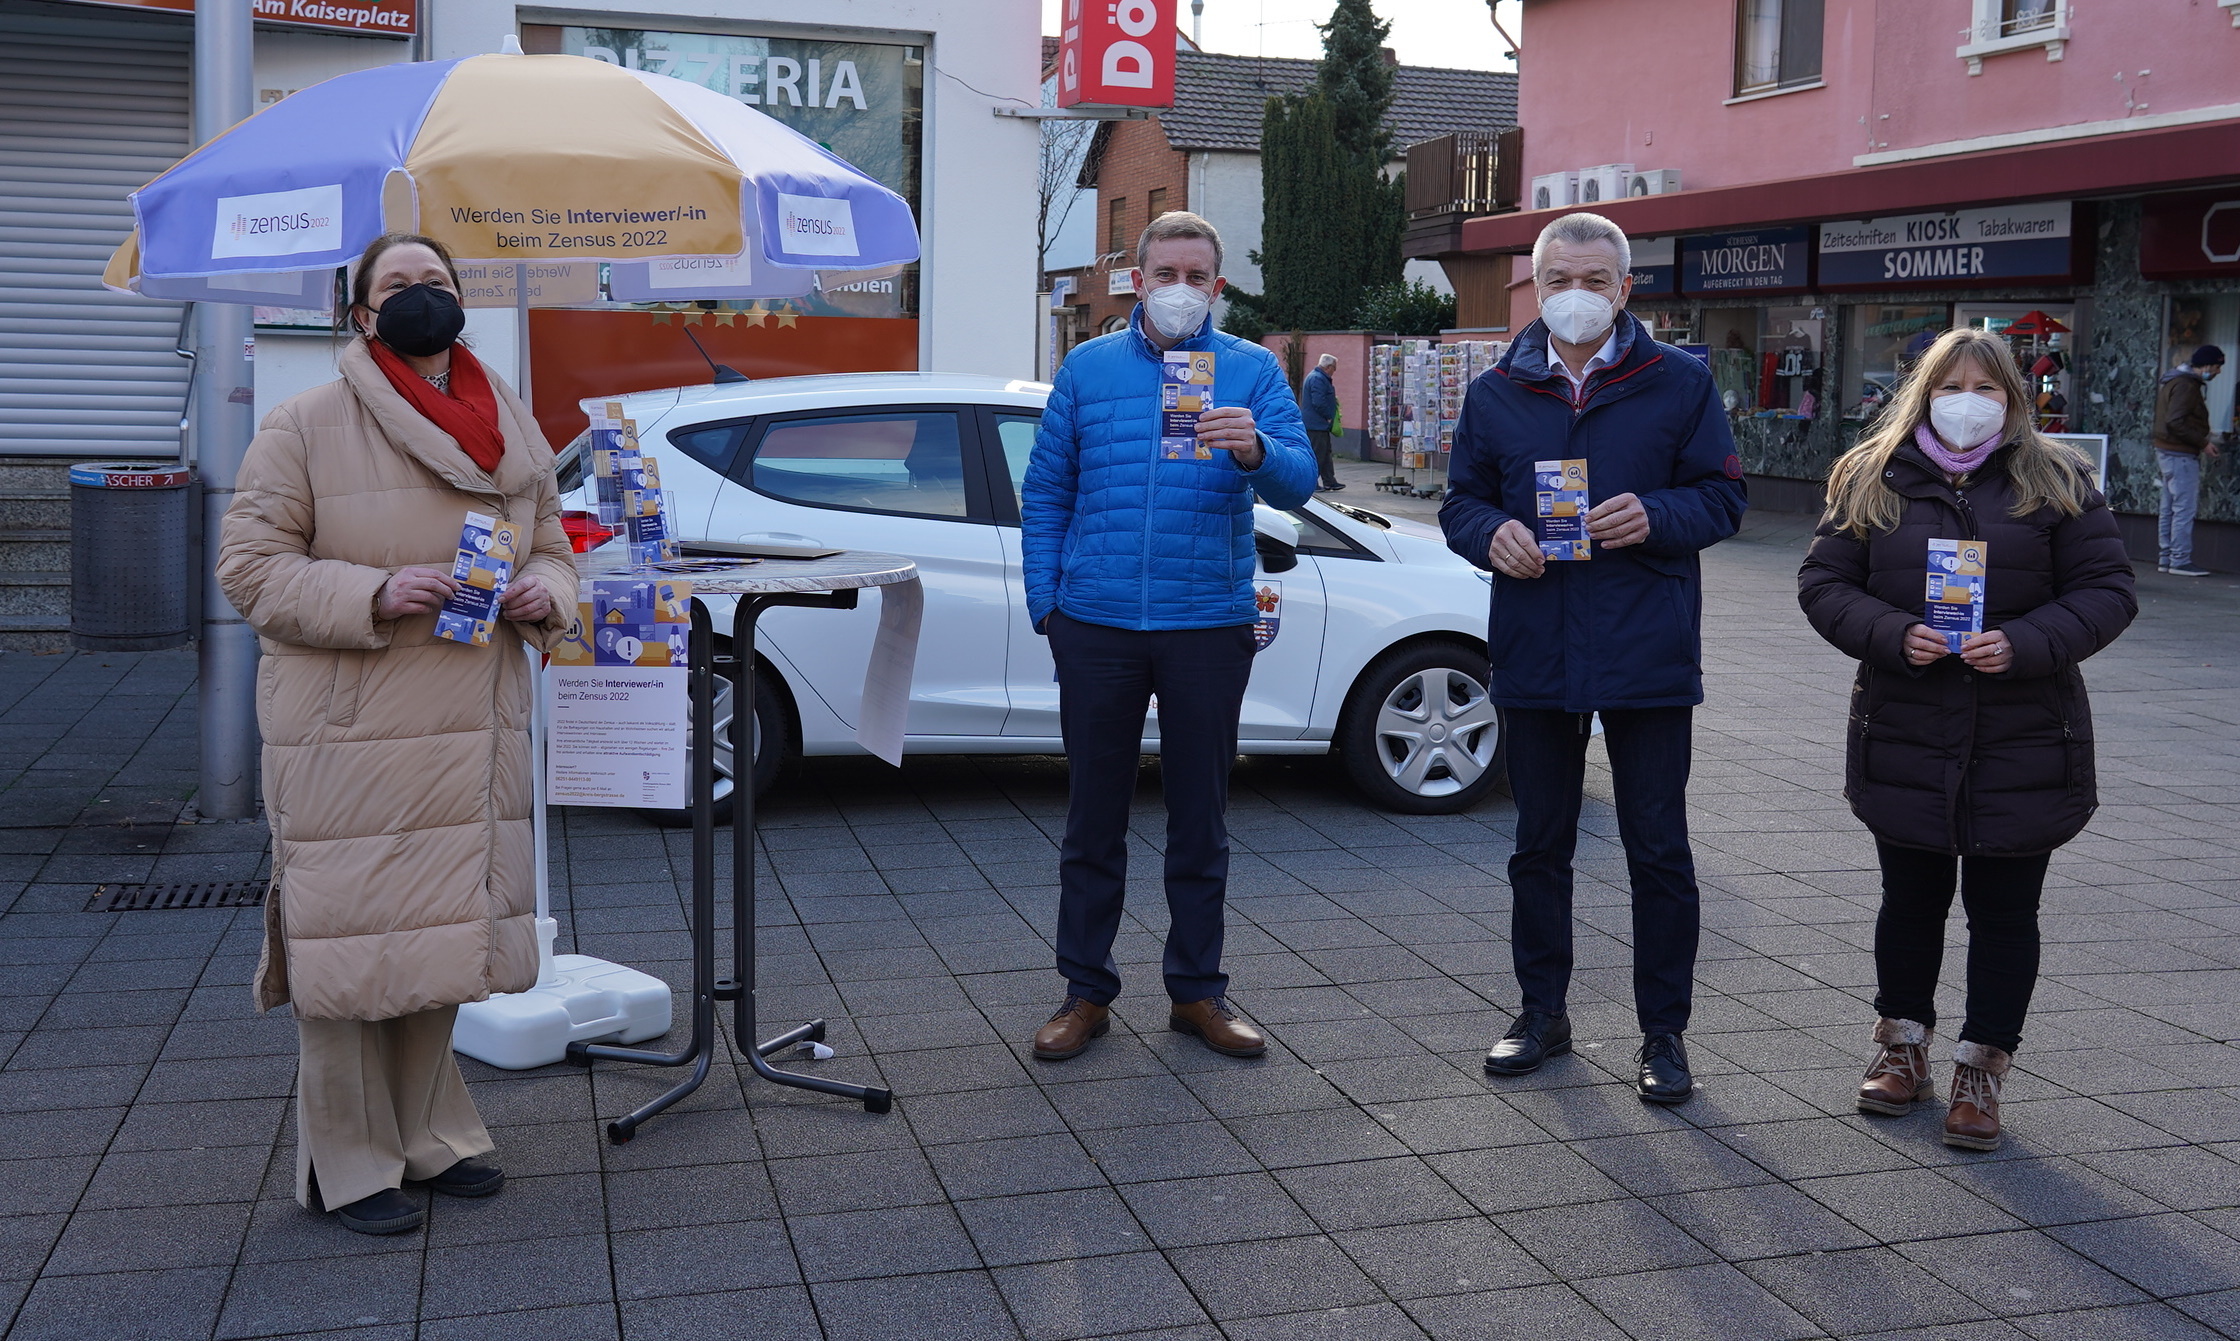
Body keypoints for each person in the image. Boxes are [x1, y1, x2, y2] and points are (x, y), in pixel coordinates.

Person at [218, 233, 578, 1234]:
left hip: (472, 723)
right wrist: (373, 591)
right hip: (352, 729)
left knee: (442, 940)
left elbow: (553, 545)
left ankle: (431, 1134)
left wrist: (545, 593)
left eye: (437, 281)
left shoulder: (507, 418)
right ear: (362, 312)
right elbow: (248, 570)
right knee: (348, 948)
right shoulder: (303, 423)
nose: (423, 296)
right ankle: (349, 1162)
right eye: (399, 285)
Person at [1798, 328, 2135, 1150]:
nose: (1968, 401)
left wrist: (2024, 642)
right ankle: (1901, 1048)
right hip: (1907, 727)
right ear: (1922, 393)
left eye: (1987, 387)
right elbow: (1824, 582)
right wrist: (1891, 632)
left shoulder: (2058, 479)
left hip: (2024, 735)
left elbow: (2108, 590)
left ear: (2013, 397)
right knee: (1909, 899)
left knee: (2006, 912)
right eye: (1951, 385)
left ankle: (1981, 1071)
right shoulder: (1871, 473)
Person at [1439, 212, 1746, 1105]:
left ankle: (1664, 1033)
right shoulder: (1495, 390)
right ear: (1534, 288)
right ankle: (1542, 1012)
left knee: (1659, 850)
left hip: (1646, 647)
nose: (1576, 296)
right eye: (1559, 280)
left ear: (1625, 288)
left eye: (1595, 281)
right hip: (1536, 644)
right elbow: (1461, 502)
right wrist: (1490, 533)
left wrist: (1657, 514)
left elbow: (1723, 497)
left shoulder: (1679, 381)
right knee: (1539, 846)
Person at [1021, 210, 1317, 1062]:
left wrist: (1256, 450)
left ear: (1216, 287)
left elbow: (1300, 482)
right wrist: (1050, 608)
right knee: (1092, 820)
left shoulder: (1252, 369)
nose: (1180, 289)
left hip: (1207, 625)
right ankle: (1085, 991)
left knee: (1200, 820)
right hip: (1097, 624)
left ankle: (1197, 991)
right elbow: (1046, 493)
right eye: (1165, 274)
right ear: (1137, 280)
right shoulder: (1087, 368)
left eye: (1196, 277)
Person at [2152, 345, 2224, 576]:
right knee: (2183, 509)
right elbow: (2176, 421)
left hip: (2168, 451)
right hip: (2180, 454)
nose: (2218, 372)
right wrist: (2203, 443)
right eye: (2217, 367)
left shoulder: (2175, 381)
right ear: (2206, 365)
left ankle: (2167, 558)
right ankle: (2179, 560)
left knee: (2169, 508)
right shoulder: (2186, 385)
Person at [1301, 352, 1343, 491]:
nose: (1334, 372)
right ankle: (1312, 483)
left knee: (1325, 453)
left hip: (1319, 424)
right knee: (1318, 454)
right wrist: (1328, 416)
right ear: (1328, 367)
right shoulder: (1318, 379)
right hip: (1316, 424)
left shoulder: (1317, 377)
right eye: (1334, 368)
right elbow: (1318, 402)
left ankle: (1329, 481)